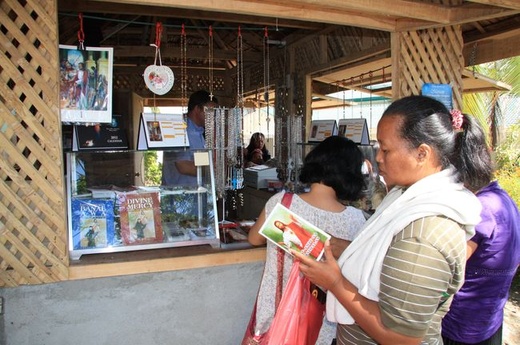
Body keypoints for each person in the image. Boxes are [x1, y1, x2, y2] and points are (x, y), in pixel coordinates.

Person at [293, 95, 483, 344]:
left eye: (386, 149)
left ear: (421, 154)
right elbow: (390, 258)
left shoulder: (424, 234)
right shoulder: (404, 199)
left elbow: (400, 338)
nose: (378, 158)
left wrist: (335, 282)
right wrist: (340, 247)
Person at [247, 135, 367, 345]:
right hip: (323, 325)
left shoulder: (283, 203)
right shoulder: (356, 220)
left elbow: (254, 238)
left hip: (275, 315)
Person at [441, 113, 520, 345]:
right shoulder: (503, 199)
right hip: (489, 320)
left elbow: (448, 268)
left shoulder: (480, 210)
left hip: (461, 326)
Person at [161, 90, 218, 186]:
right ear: (197, 109)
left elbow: (200, 162)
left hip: (197, 192)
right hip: (179, 194)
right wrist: (214, 170)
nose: (213, 116)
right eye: (210, 111)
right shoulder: (180, 129)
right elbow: (184, 167)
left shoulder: (199, 132)